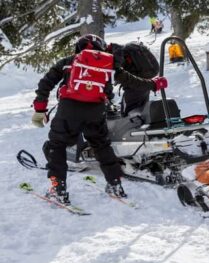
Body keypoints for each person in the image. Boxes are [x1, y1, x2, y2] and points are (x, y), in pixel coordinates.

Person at [31, 34, 168, 204]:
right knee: (102, 146)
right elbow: (130, 80)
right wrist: (153, 84)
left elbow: (46, 83)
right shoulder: (108, 63)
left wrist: (40, 109)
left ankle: (57, 188)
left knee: (57, 145)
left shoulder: (69, 60)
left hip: (69, 109)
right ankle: (115, 184)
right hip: (95, 110)